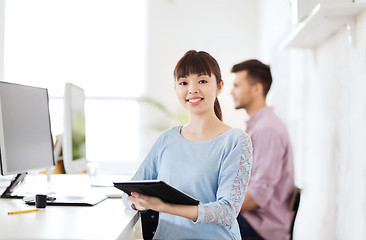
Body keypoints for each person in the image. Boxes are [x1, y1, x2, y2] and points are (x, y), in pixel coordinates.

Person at [123, 50, 253, 239]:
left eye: (202, 81)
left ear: (219, 87)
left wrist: (163, 207)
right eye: (183, 83)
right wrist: (138, 203)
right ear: (176, 88)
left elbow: (227, 211)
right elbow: (129, 192)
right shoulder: (167, 139)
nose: (192, 89)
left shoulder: (236, 141)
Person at [231, 59, 295, 240]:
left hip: (260, 228)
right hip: (253, 220)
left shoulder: (267, 129)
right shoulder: (259, 125)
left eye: (237, 86)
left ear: (256, 89)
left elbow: (257, 195)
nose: (231, 91)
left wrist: (218, 210)